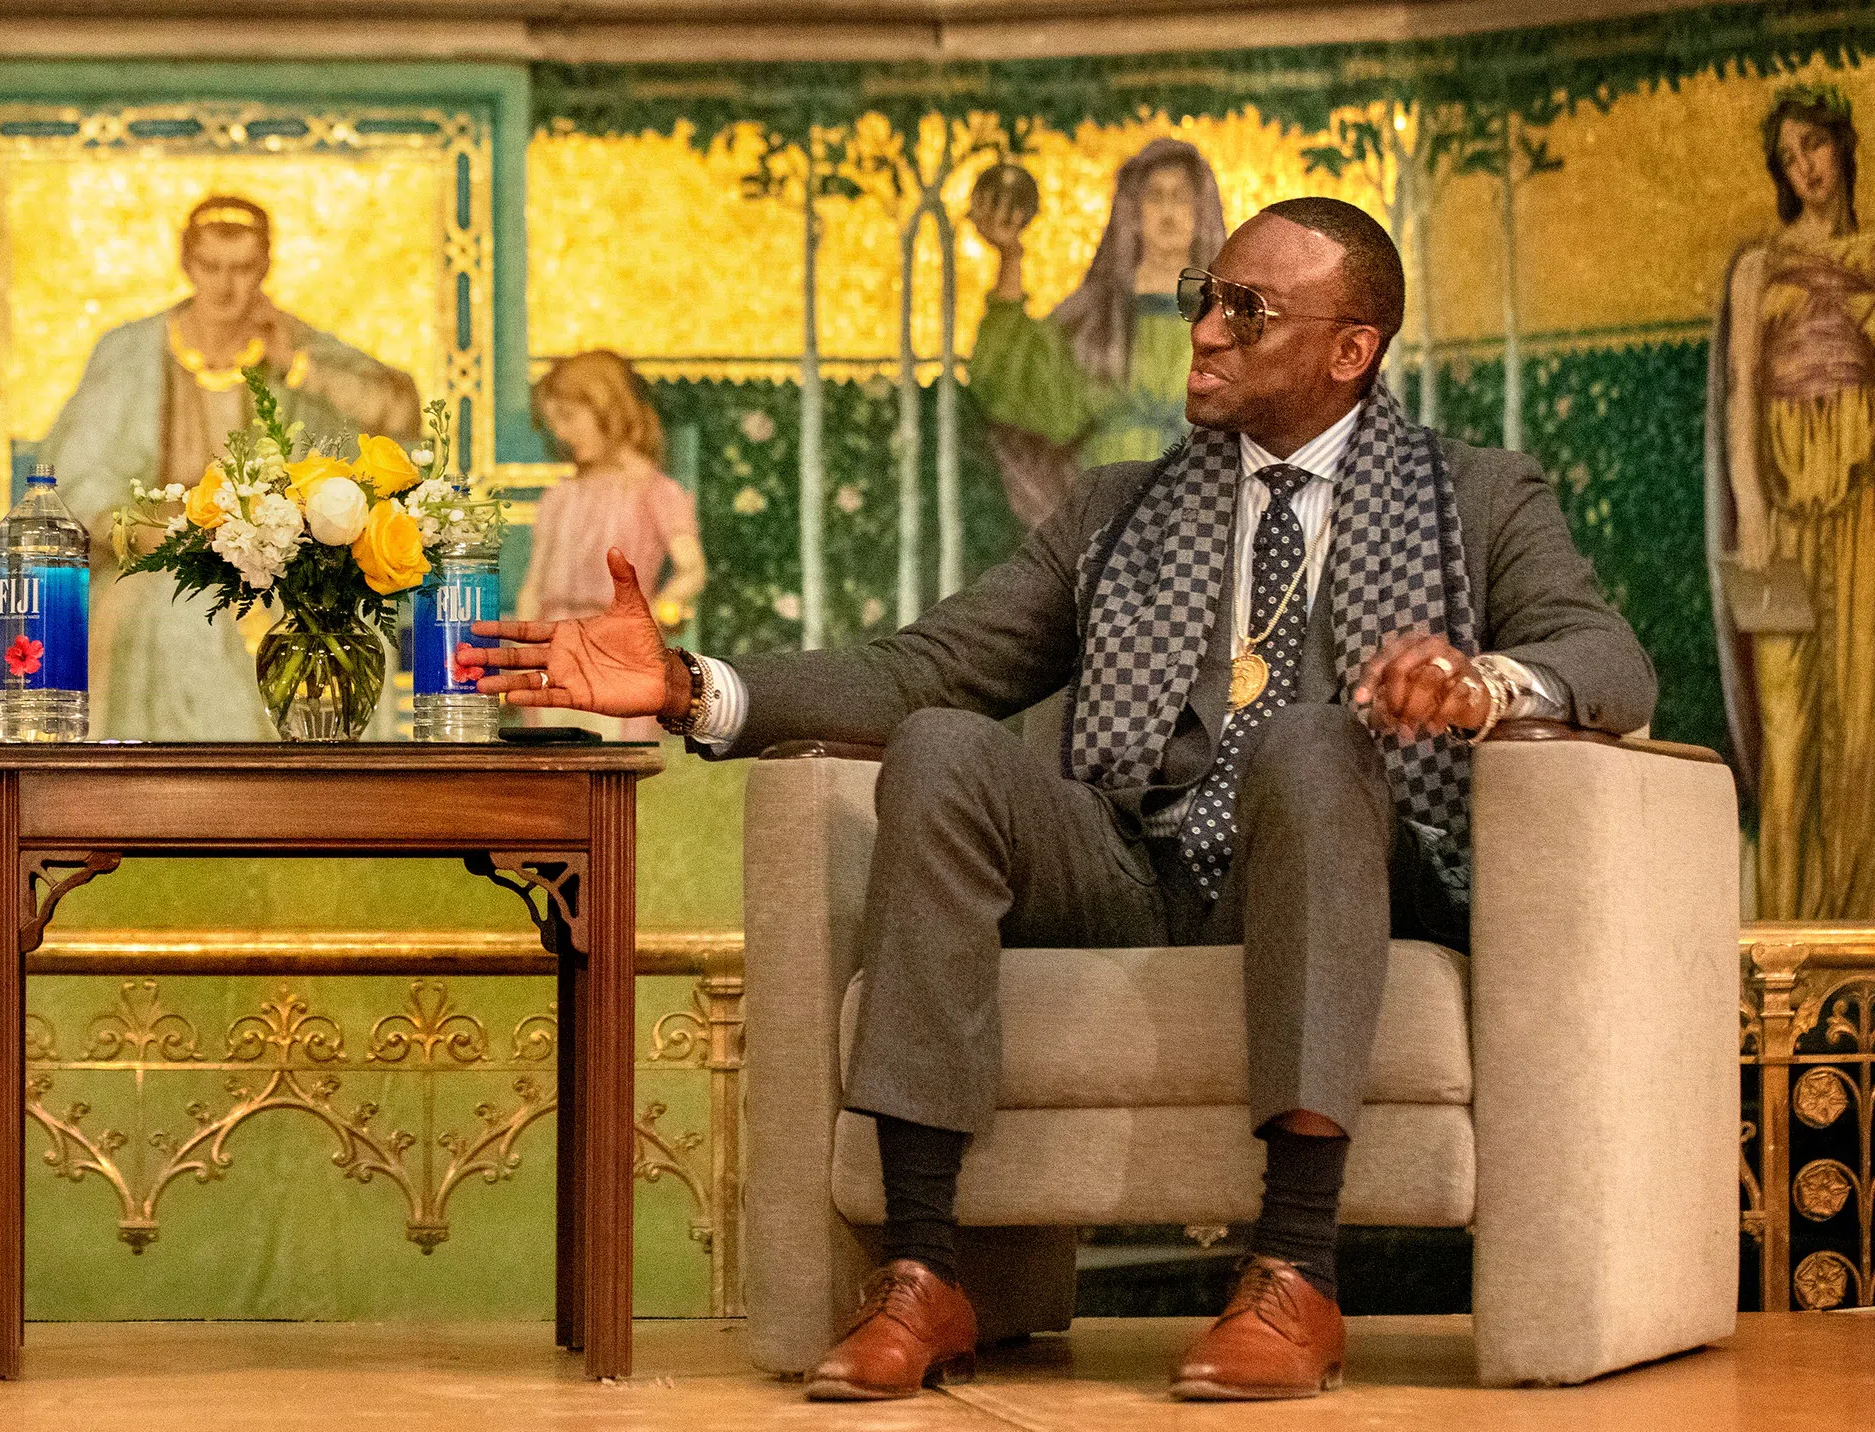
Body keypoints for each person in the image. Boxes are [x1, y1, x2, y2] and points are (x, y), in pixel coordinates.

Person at [464, 199, 1652, 1402]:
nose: (1206, 329)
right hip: (1134, 855)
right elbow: (924, 664)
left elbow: (1607, 656)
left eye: (1249, 309)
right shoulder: (1118, 507)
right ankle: (925, 1269)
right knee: (939, 744)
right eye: (1205, 294)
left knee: (1309, 742)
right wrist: (690, 682)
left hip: (1335, 860)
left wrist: (1480, 681)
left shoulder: (1479, 495)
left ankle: (1294, 1267)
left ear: (1352, 348)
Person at [43, 195, 422, 739]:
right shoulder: (132, 352)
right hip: (163, 553)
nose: (225, 286)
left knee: (337, 622)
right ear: (187, 265)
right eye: (211, 267)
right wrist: (137, 529)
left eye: (242, 268)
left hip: (286, 556)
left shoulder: (292, 342)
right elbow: (79, 470)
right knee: (175, 615)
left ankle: (314, 806)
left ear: (265, 268)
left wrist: (299, 367)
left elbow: (398, 414)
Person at [1716, 85, 1873, 919]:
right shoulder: (1758, 266)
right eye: (1788, 157)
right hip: (1780, 522)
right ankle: (1782, 939)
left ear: (1844, 146)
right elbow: (1743, 392)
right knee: (1788, 734)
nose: (1804, 166)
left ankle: (1856, 931)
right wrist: (1752, 514)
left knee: (1862, 729)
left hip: (1865, 514)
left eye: (1813, 145)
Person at [970, 140, 1230, 528]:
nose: (1169, 212)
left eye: (1181, 198)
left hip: (1202, 507)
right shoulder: (1094, 313)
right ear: (1133, 211)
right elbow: (1022, 380)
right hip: (1107, 509)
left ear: (1202, 209)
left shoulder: (1229, 313)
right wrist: (1011, 258)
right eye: (1155, 197)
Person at [521, 350, 704, 739]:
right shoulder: (560, 498)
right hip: (557, 647)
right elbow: (534, 587)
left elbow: (692, 570)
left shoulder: (655, 491)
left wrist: (659, 612)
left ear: (609, 409)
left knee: (613, 769)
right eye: (554, 423)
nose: (562, 434)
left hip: (618, 650)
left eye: (569, 418)